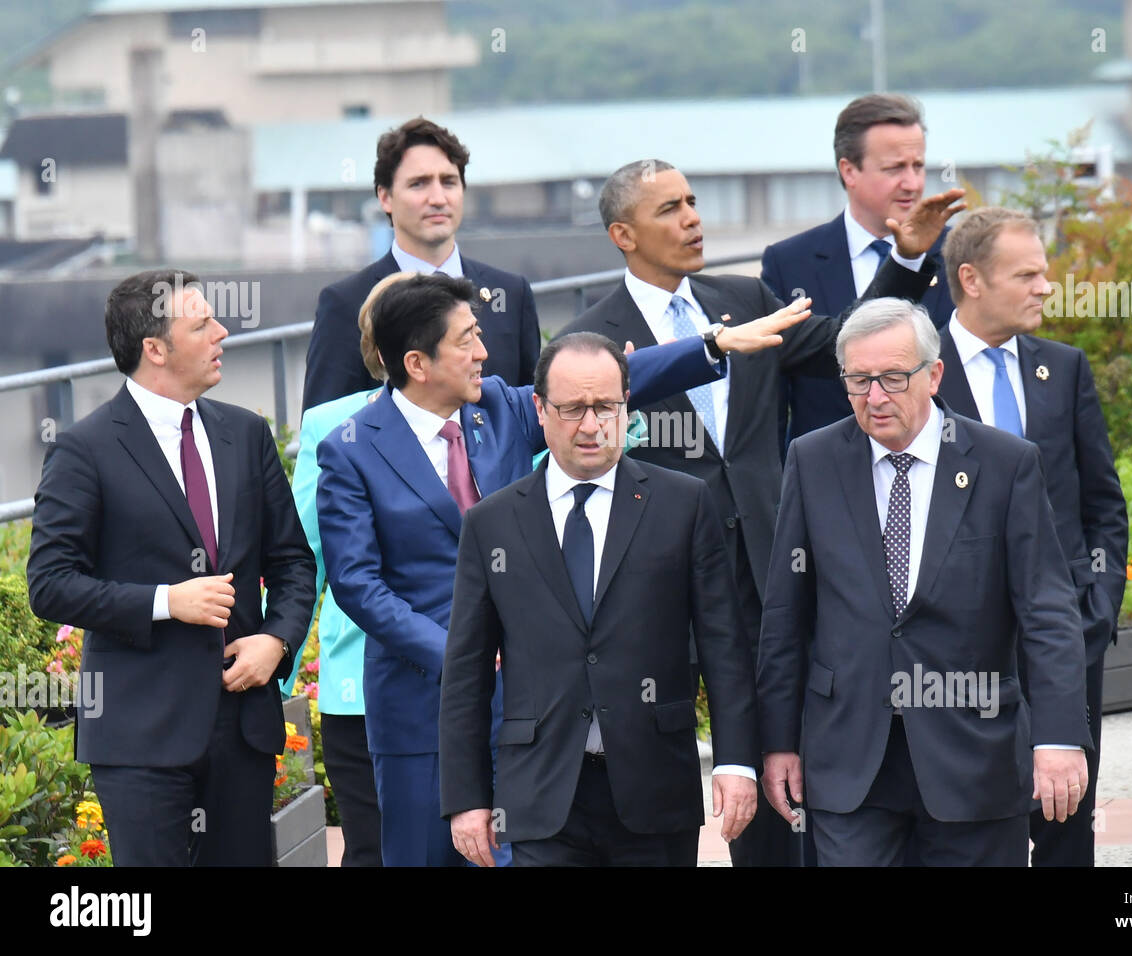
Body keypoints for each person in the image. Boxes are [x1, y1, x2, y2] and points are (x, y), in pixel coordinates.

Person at [315, 272, 808, 866]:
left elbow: (590, 387)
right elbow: (357, 583)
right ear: (417, 363)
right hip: (422, 704)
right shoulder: (351, 446)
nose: (484, 352)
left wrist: (710, 346)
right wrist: (460, 652)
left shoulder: (497, 406)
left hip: (536, 711)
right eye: (467, 339)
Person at [560, 158, 957, 867]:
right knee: (676, 774)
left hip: (774, 567)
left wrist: (906, 258)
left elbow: (848, 339)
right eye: (669, 209)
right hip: (662, 591)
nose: (693, 218)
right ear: (623, 233)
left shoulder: (744, 298)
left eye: (693, 201)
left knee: (789, 756)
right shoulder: (593, 338)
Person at [757, 297, 1093, 867]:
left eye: (892, 377)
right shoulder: (812, 461)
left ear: (934, 375)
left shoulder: (1005, 464)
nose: (875, 397)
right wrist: (779, 742)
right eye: (858, 380)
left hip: (973, 758)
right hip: (849, 760)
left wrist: (1058, 737)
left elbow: (1047, 610)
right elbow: (787, 614)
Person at [27, 269, 317, 866]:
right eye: (201, 324)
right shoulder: (85, 450)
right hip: (140, 735)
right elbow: (50, 583)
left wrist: (277, 641)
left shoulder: (247, 433)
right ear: (154, 350)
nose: (222, 332)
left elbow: (292, 561)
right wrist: (166, 600)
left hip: (242, 727)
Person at [440, 332, 760, 867]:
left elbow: (723, 645)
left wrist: (736, 763)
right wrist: (467, 798)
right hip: (541, 793)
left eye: (606, 407)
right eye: (572, 409)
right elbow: (467, 669)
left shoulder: (683, 504)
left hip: (655, 787)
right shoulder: (491, 523)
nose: (591, 426)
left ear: (626, 406)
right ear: (539, 409)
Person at [935, 206, 1128, 866]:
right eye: (1028, 274)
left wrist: (1096, 610)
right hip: (956, 650)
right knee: (968, 820)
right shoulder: (917, 377)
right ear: (973, 279)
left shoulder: (1064, 368)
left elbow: (1103, 503)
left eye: (1045, 273)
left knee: (1066, 819)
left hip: (1065, 637)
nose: (1046, 286)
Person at [283, 270, 415, 866]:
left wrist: (625, 411)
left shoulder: (489, 418)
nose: (481, 348)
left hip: (477, 681)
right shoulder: (331, 425)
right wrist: (273, 678)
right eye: (464, 334)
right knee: (375, 849)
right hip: (361, 684)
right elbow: (303, 557)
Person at [302, 117, 541, 413]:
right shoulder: (346, 302)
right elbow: (326, 424)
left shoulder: (510, 292)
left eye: (449, 182)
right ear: (385, 197)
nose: (438, 198)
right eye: (419, 184)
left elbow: (536, 414)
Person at [762, 93, 961, 446]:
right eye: (894, 168)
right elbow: (773, 397)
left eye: (918, 166)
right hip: (831, 481)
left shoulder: (957, 253)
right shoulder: (789, 263)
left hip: (944, 474)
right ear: (849, 170)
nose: (913, 183)